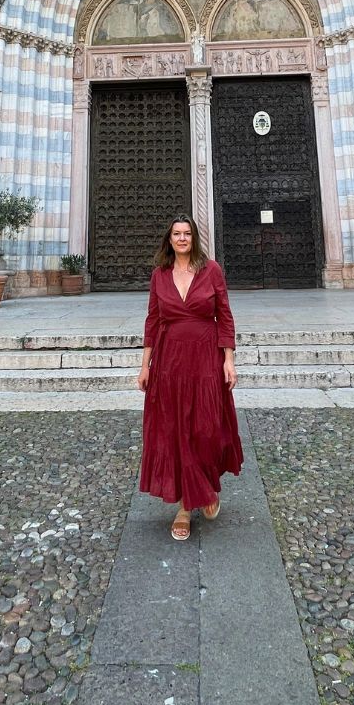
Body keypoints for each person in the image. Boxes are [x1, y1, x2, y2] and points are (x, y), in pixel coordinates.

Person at [136, 214, 243, 541]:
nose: (182, 238)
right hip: (170, 361)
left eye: (187, 233)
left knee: (205, 428)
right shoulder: (159, 275)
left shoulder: (212, 270)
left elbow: (223, 315)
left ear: (194, 238)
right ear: (169, 240)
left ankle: (207, 487)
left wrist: (229, 359)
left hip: (205, 357)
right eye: (176, 234)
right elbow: (153, 320)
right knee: (176, 430)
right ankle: (185, 506)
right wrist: (144, 365)